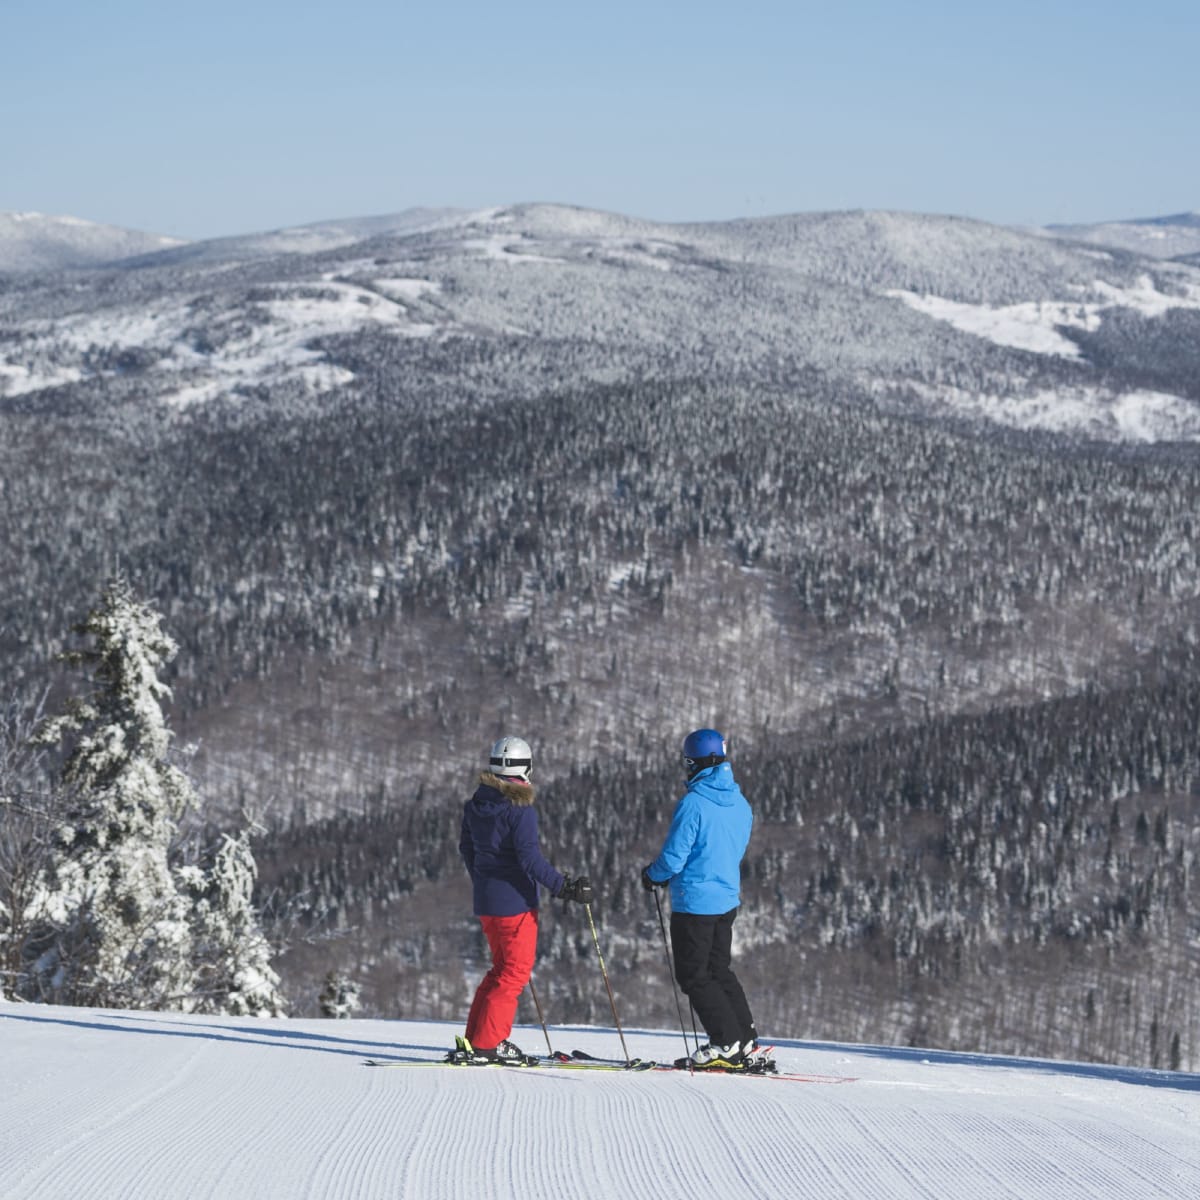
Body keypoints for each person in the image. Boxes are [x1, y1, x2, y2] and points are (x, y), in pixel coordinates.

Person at [451, 734, 592, 1065]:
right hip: (515, 903)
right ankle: (489, 1044)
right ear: (525, 768)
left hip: (487, 901)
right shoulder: (519, 810)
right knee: (514, 973)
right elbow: (530, 861)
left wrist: (484, 879)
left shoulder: (476, 805)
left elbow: (466, 849)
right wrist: (565, 887)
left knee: (500, 970)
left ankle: (475, 1041)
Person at [641, 727, 759, 1069]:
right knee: (718, 968)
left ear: (696, 762)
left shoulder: (694, 804)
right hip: (726, 899)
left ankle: (725, 1041)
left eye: (687, 762)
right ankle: (745, 1036)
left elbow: (674, 858)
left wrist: (652, 875)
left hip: (694, 903)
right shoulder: (739, 800)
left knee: (693, 975)